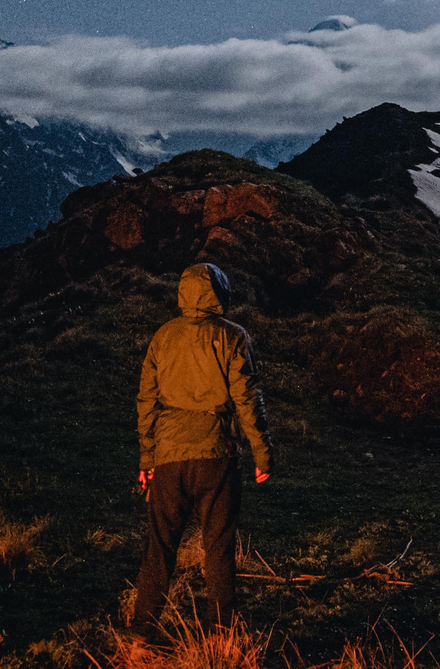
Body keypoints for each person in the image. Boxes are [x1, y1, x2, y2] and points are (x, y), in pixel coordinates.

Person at [129, 262, 272, 642]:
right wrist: (262, 455)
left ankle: (141, 639)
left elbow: (146, 400)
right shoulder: (233, 337)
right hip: (216, 455)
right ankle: (223, 642)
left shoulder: (164, 336)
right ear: (219, 294)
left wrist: (147, 458)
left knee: (159, 549)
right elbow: (247, 400)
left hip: (169, 457)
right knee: (219, 549)